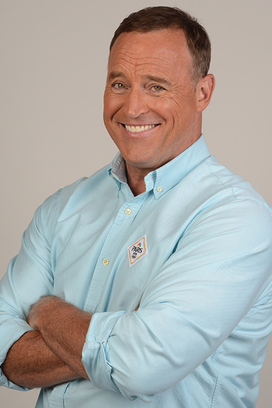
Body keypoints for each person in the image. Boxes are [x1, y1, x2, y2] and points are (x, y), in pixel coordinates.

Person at [0, 6, 272, 408]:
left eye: (156, 86)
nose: (132, 108)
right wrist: (120, 334)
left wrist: (47, 312)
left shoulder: (235, 217)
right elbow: (4, 353)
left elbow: (141, 365)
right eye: (119, 83)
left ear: (203, 92)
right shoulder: (61, 208)